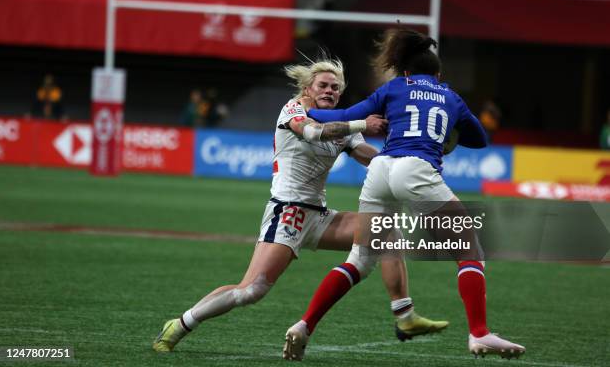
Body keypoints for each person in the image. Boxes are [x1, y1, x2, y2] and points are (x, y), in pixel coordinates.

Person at [153, 57, 448, 353]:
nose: (330, 91)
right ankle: (180, 323)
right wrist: (361, 123)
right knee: (251, 291)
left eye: (335, 87)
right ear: (307, 88)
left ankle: (404, 314)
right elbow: (311, 132)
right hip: (287, 212)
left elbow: (369, 157)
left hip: (319, 216)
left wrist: (408, 158)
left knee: (387, 231)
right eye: (323, 85)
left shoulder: (342, 125)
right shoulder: (294, 109)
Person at [283, 29, 525, 360]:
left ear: (406, 71)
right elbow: (480, 139)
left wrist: (307, 112)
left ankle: (304, 325)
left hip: (381, 169)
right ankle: (479, 333)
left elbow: (344, 115)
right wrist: (449, 132)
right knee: (470, 247)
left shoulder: (395, 86)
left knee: (361, 258)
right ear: (438, 74)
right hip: (417, 168)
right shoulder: (450, 95)